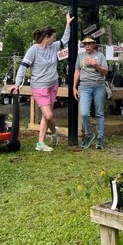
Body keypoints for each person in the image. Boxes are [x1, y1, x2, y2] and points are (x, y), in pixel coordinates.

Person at [10, 12, 74, 152]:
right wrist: (17, 83)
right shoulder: (33, 50)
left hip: (53, 85)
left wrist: (68, 25)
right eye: (53, 37)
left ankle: (40, 143)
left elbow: (65, 39)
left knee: (47, 115)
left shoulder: (54, 46)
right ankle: (55, 131)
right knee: (49, 115)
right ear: (47, 37)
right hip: (39, 87)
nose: (55, 39)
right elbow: (23, 67)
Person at [73, 36, 108, 150]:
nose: (87, 46)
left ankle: (100, 139)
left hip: (99, 86)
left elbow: (105, 72)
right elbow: (77, 71)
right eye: (85, 44)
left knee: (99, 113)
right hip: (84, 86)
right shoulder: (81, 56)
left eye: (89, 44)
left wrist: (95, 64)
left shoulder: (100, 56)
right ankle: (89, 135)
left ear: (94, 44)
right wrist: (74, 87)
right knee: (84, 113)